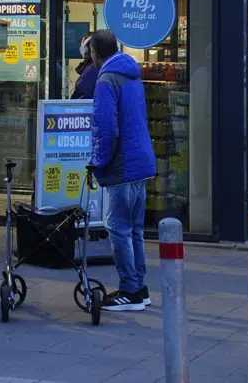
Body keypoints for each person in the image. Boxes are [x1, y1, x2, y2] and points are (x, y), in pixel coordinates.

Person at [87, 29, 156, 313]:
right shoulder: (131, 75)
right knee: (134, 230)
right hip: (141, 161)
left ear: (94, 53)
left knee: (118, 228)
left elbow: (105, 128)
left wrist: (98, 162)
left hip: (123, 165)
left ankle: (129, 290)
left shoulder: (106, 80)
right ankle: (140, 287)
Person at [70, 35, 97, 99]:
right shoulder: (90, 66)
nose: (81, 49)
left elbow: (79, 94)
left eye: (83, 47)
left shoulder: (92, 69)